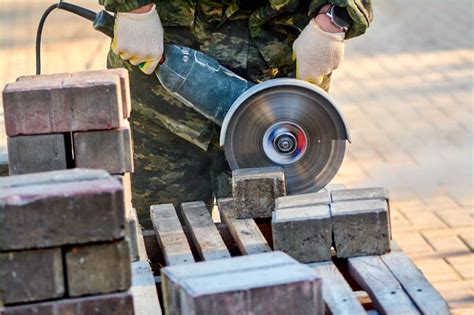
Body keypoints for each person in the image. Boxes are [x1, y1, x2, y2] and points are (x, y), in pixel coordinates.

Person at [99, 0, 373, 227]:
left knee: (280, 238)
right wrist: (132, 8)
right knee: (161, 234)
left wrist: (333, 19)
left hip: (278, 108)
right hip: (162, 96)